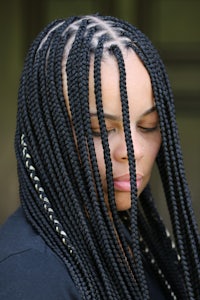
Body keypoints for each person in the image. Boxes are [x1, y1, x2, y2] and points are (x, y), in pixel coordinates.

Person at [0, 14, 199, 300]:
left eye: (148, 125)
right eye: (101, 130)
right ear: (46, 132)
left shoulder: (140, 245)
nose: (132, 152)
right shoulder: (28, 275)